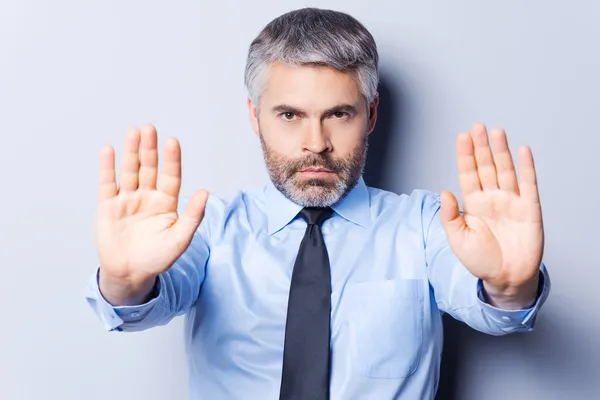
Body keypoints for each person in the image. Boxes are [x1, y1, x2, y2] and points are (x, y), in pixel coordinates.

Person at [85, 7, 550, 400]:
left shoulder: (427, 225)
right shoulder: (208, 229)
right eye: (290, 115)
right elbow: (145, 303)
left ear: (370, 115)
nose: (316, 143)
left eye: (339, 114)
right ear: (255, 116)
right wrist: (126, 283)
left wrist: (510, 287)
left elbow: (491, 309)